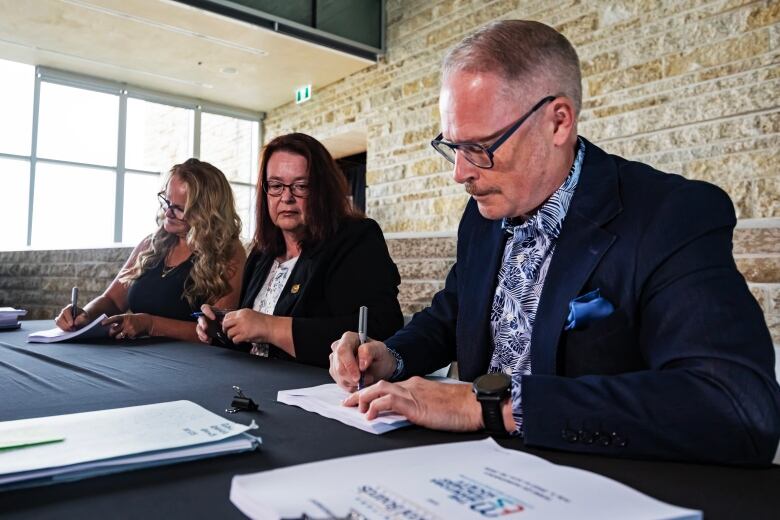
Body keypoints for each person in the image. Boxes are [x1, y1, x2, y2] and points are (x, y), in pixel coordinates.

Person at [329, 20, 780, 465]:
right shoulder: (485, 211)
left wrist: (488, 406)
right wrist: (392, 355)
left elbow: (736, 406)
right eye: (453, 147)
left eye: (481, 147)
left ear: (558, 122)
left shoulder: (669, 215)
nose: (460, 173)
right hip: (470, 468)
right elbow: (454, 313)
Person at [196, 133, 403, 368]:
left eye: (300, 186)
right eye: (275, 185)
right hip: (251, 384)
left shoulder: (355, 238)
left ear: (322, 191)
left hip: (319, 393)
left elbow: (381, 327)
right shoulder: (261, 253)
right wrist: (222, 328)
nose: (286, 197)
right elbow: (254, 346)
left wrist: (270, 327)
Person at [55, 158, 246, 342]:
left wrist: (151, 324)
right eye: (166, 201)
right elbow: (112, 300)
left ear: (206, 212)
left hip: (189, 367)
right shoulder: (152, 244)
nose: (167, 212)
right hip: (138, 359)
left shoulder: (227, 253)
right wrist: (85, 315)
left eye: (179, 208)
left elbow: (217, 332)